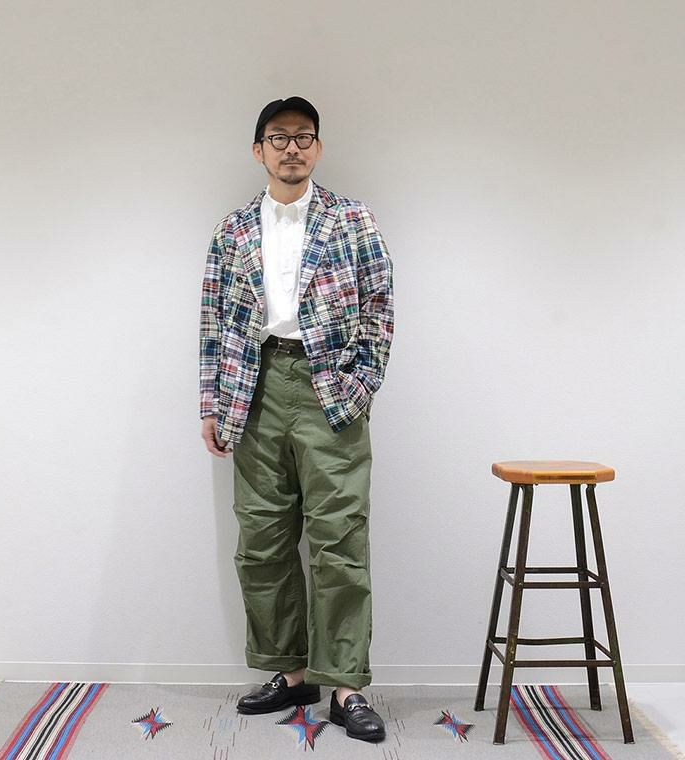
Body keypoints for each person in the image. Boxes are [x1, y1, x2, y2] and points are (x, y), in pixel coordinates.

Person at [198, 96, 394, 743]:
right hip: (253, 388)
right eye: (279, 137)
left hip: (328, 389)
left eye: (303, 136)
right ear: (258, 150)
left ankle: (346, 687)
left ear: (318, 147)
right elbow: (213, 322)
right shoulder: (233, 230)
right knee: (262, 540)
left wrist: (359, 386)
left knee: (340, 538)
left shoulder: (352, 221)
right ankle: (289, 672)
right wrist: (213, 403)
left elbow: (380, 309)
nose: (291, 147)